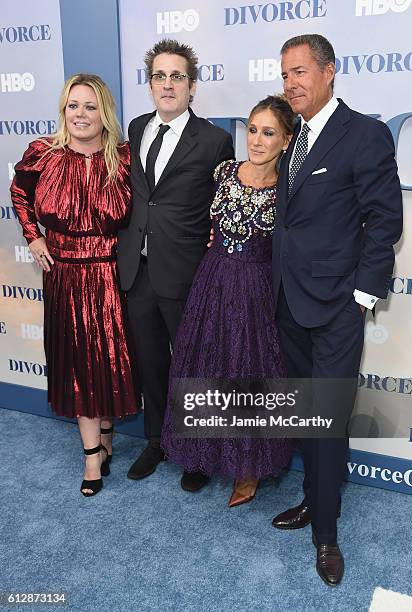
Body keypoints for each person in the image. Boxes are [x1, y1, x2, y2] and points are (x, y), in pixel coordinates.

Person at [271, 34, 403, 585]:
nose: (290, 84)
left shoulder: (364, 135)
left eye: (300, 72)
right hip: (288, 302)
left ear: (330, 72)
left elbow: (385, 221)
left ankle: (326, 533)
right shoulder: (295, 137)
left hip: (335, 310)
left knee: (325, 421)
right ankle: (313, 499)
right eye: (284, 75)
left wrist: (360, 297)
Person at [161, 95, 295, 505]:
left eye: (268, 133)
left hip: (255, 289)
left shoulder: (289, 190)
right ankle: (201, 453)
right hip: (212, 279)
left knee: (248, 372)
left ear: (286, 141)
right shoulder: (222, 172)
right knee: (205, 363)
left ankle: (249, 467)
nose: (256, 140)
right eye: (252, 130)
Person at [11, 74, 139, 497]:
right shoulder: (43, 154)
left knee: (108, 362)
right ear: (63, 110)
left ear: (104, 112)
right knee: (79, 366)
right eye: (72, 105)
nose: (80, 114)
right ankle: (91, 456)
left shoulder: (123, 158)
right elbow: (19, 192)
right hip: (63, 272)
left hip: (109, 274)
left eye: (89, 106)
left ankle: (105, 433)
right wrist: (33, 235)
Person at [117, 39, 234, 489]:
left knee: (193, 365)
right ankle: (157, 440)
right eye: (159, 76)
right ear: (150, 84)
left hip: (186, 272)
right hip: (138, 270)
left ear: (192, 85)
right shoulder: (136, 126)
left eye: (177, 76)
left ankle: (197, 453)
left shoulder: (215, 139)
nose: (168, 84)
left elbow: (222, 205)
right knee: (150, 362)